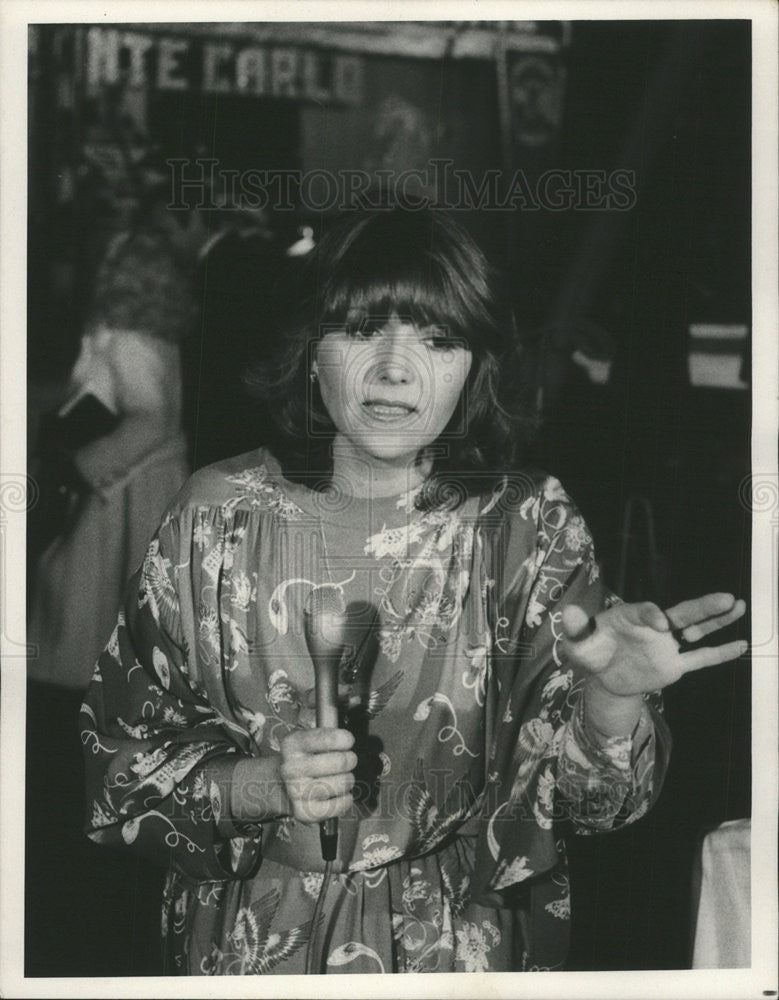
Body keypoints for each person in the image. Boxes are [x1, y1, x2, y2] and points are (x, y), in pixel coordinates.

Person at [80, 207, 746, 975]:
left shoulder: (524, 526)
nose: (396, 370)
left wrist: (612, 703)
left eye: (438, 339)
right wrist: (258, 783)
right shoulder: (217, 514)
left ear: (474, 367)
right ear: (309, 351)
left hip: (460, 947)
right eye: (363, 330)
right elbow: (114, 771)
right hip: (251, 940)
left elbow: (591, 806)